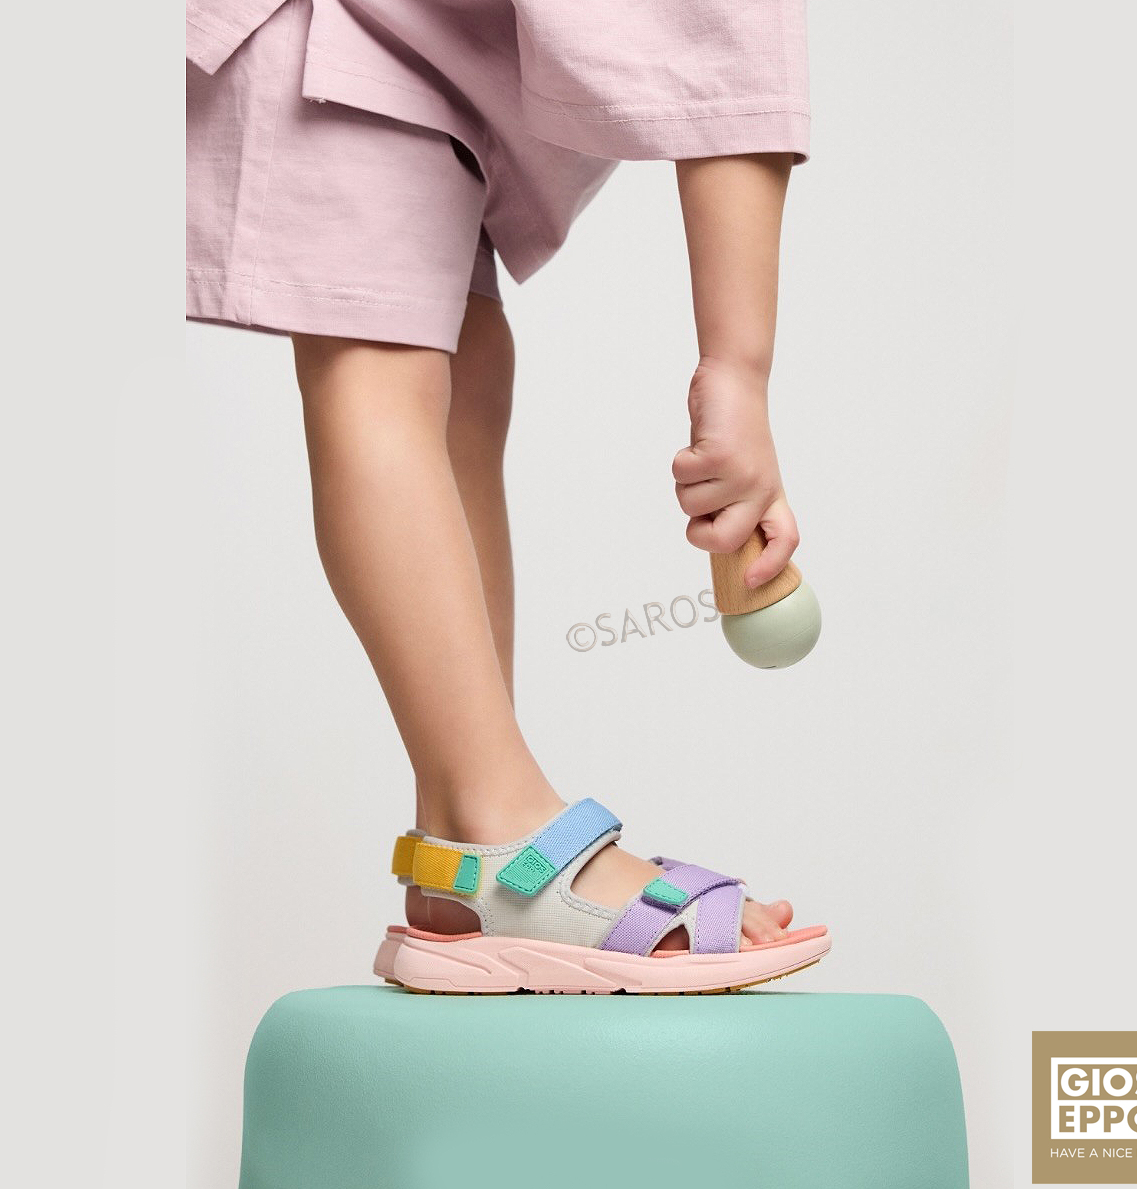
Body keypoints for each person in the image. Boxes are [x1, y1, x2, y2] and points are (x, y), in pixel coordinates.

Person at [186, 0, 831, 993]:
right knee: (382, 353)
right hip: (330, 22)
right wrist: (734, 370)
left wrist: (738, 375)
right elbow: (723, 57)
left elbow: (726, 52)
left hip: (446, 52)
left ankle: (459, 854)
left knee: (466, 362)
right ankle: (496, 822)